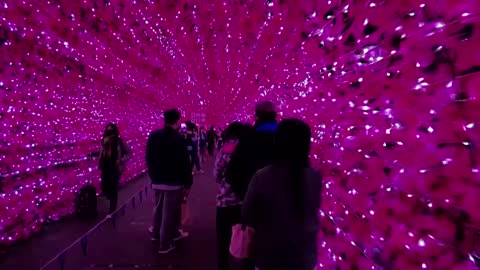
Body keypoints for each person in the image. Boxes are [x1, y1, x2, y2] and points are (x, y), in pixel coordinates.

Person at [242, 119, 322, 270]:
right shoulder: (315, 176)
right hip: (304, 257)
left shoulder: (263, 176)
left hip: (270, 256)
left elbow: (247, 214)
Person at [145, 109, 193, 254]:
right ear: (177, 121)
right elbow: (184, 162)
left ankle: (156, 235)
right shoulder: (178, 139)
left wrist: (153, 175)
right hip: (173, 181)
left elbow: (148, 157)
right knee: (169, 212)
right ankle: (165, 244)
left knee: (158, 208)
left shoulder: (154, 135)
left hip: (157, 179)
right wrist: (188, 182)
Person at [225, 101, 278, 201]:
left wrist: (242, 194)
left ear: (257, 116)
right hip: (280, 201)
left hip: (253, 198)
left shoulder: (249, 137)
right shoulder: (285, 137)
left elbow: (232, 171)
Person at [214, 122, 245, 270]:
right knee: (245, 237)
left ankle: (223, 265)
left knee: (223, 238)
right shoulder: (249, 147)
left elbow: (217, 174)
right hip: (244, 200)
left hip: (226, 200)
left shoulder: (227, 147)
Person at [99, 123, 127, 218]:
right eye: (108, 130)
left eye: (111, 130)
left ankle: (112, 210)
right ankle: (110, 200)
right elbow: (101, 153)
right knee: (105, 187)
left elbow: (128, 153)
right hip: (105, 167)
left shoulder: (119, 142)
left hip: (115, 168)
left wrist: (120, 160)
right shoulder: (103, 141)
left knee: (113, 188)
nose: (109, 132)